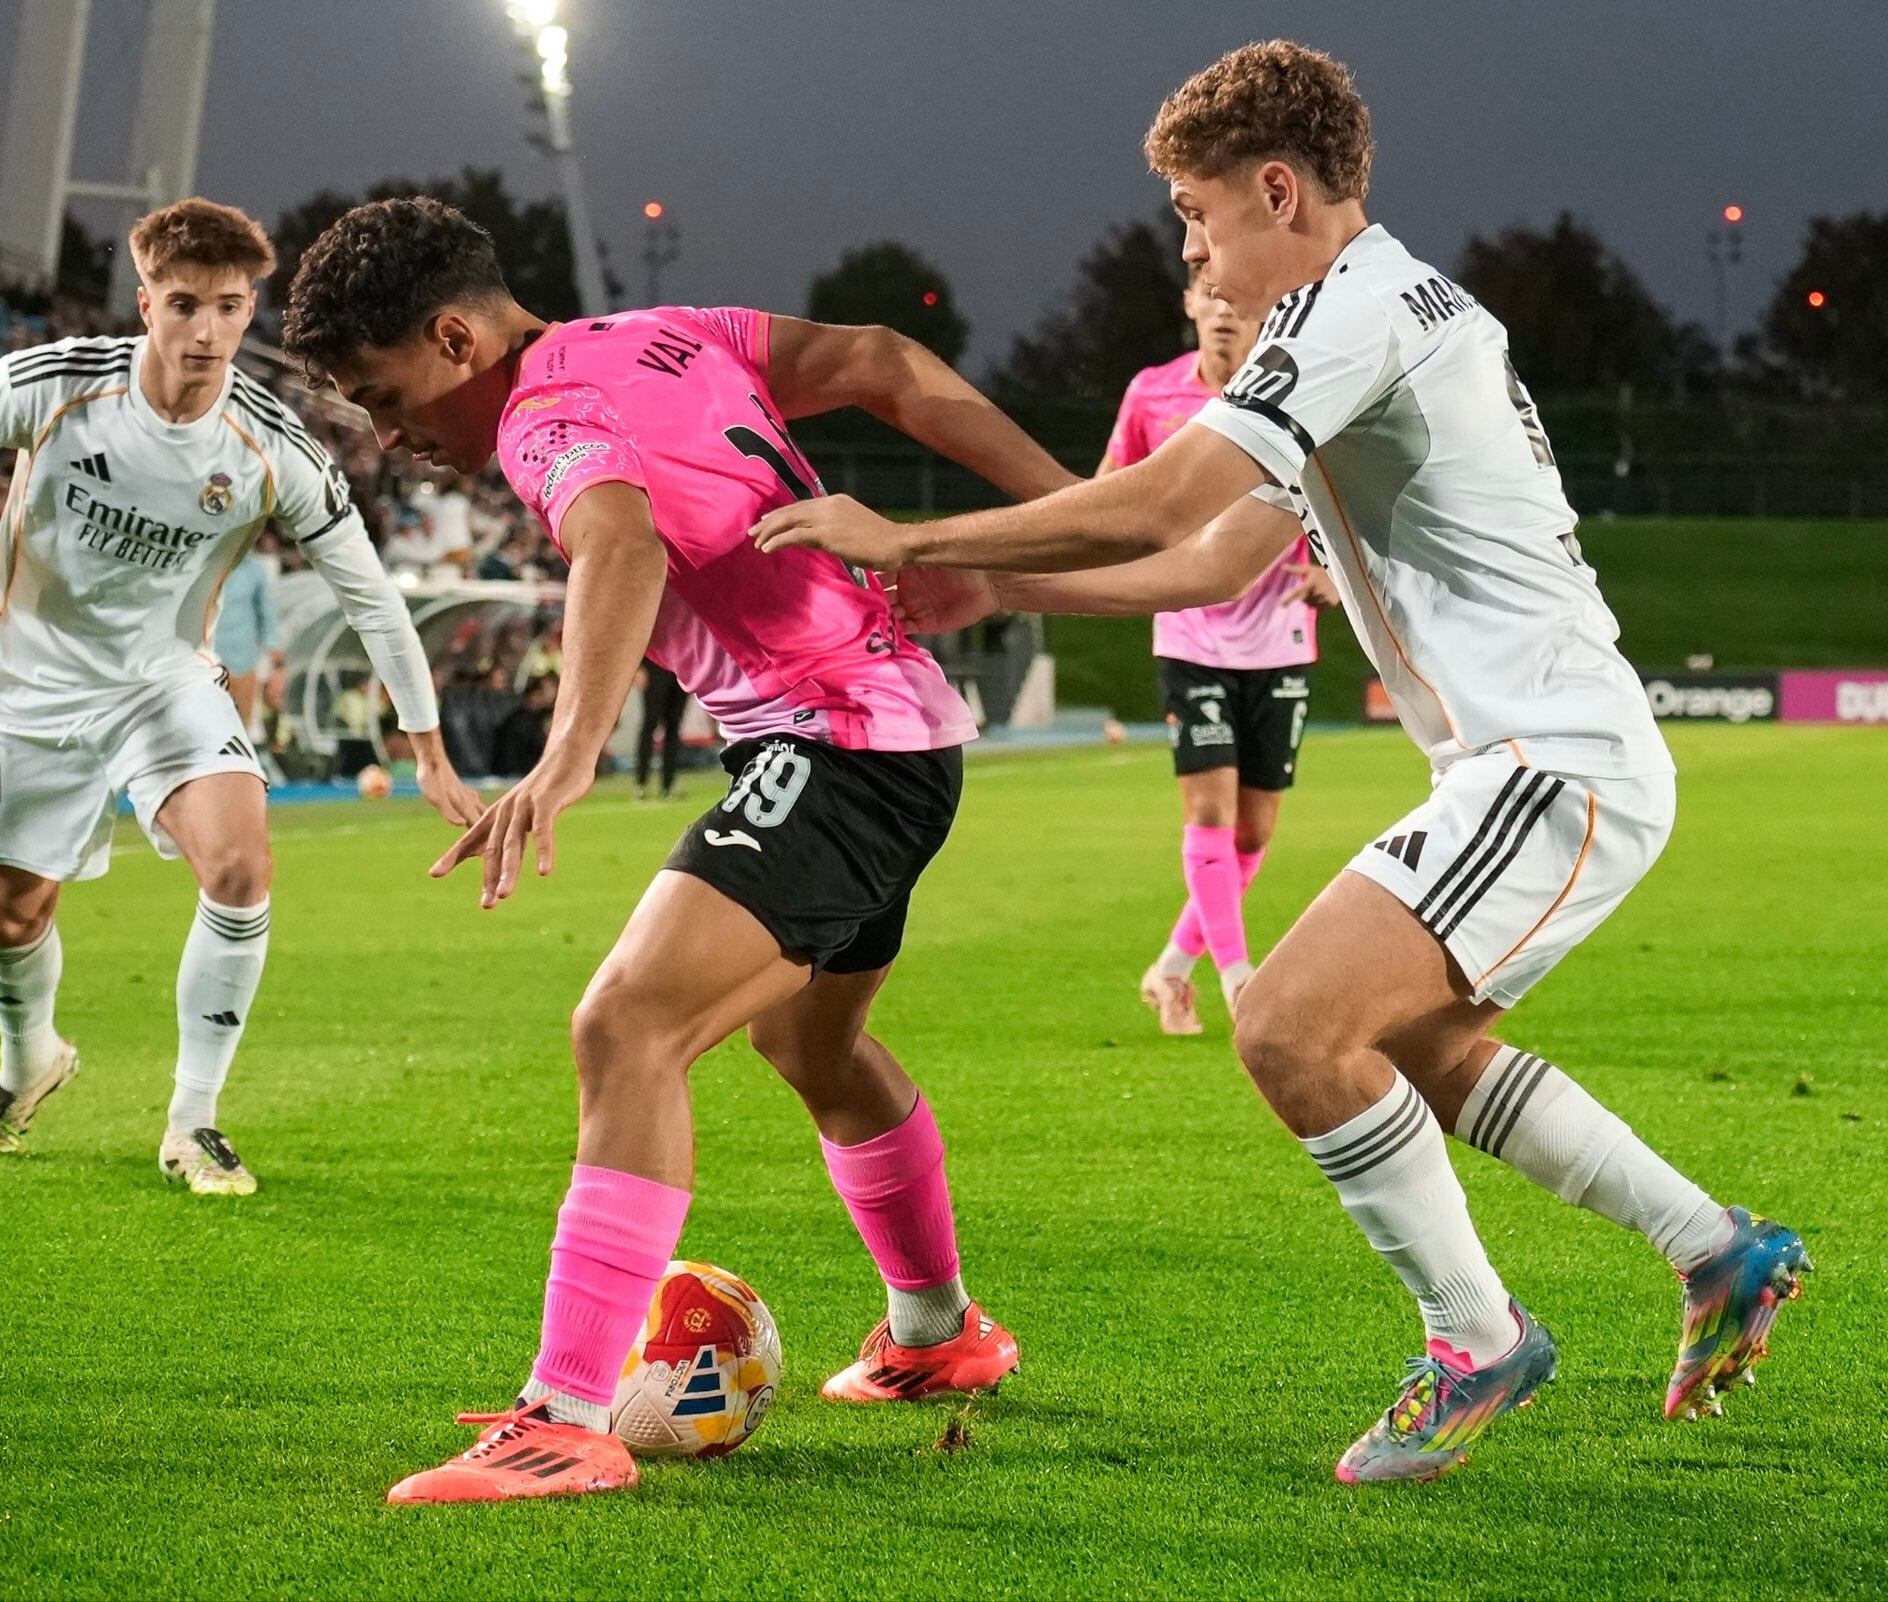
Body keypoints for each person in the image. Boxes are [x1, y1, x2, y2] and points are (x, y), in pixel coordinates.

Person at [751, 40, 1810, 1483]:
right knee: (1422, 1050)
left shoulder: (1358, 305)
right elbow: (1215, 552)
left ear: (1275, 188)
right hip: (1533, 761)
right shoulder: (1389, 313)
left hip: (1552, 761)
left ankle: (1476, 1337)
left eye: (1198, 215)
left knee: (1289, 1029)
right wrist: (1008, 592)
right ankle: (1717, 1247)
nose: (1194, 248)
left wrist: (919, 537)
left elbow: (1177, 488)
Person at [281, 196, 1077, 1502]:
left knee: (626, 1025)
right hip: (893, 726)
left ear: (451, 335)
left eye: (385, 392)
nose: (390, 433)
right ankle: (940, 1335)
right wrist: (1075, 503)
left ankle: (565, 1417)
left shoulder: (541, 413)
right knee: (808, 1045)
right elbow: (876, 356)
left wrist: (571, 749)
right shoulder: (661, 332)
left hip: (835, 742)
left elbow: (617, 535)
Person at [0, 198, 482, 1197]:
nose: (205, 329)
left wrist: (429, 748)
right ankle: (29, 1063)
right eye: (184, 304)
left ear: (251, 312)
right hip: (34, 684)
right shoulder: (59, 384)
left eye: (229, 307)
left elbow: (370, 596)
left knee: (240, 867)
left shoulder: (272, 445)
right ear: (145, 302)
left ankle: (193, 1123)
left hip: (164, 686)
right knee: (11, 916)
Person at [1103, 268, 1337, 1034]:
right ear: (1191, 305)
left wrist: (1331, 572)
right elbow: (1110, 491)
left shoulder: (1297, 394)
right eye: (1214, 299)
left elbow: (1342, 503)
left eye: (1243, 303)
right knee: (1209, 810)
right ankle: (1241, 980)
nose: (1227, 314)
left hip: (1279, 637)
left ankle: (1172, 967)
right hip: (1190, 632)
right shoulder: (1152, 396)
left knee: (1255, 831)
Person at [213, 525, 284, 729]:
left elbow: (266, 614)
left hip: (243, 664)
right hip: (210, 663)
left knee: (241, 729)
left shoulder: (254, 571)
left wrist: (276, 660)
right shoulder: (206, 569)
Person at [632, 660, 688, 800]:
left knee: (673, 727)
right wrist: (638, 667)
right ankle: (641, 783)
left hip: (678, 669)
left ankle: (668, 786)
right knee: (650, 725)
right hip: (654, 668)